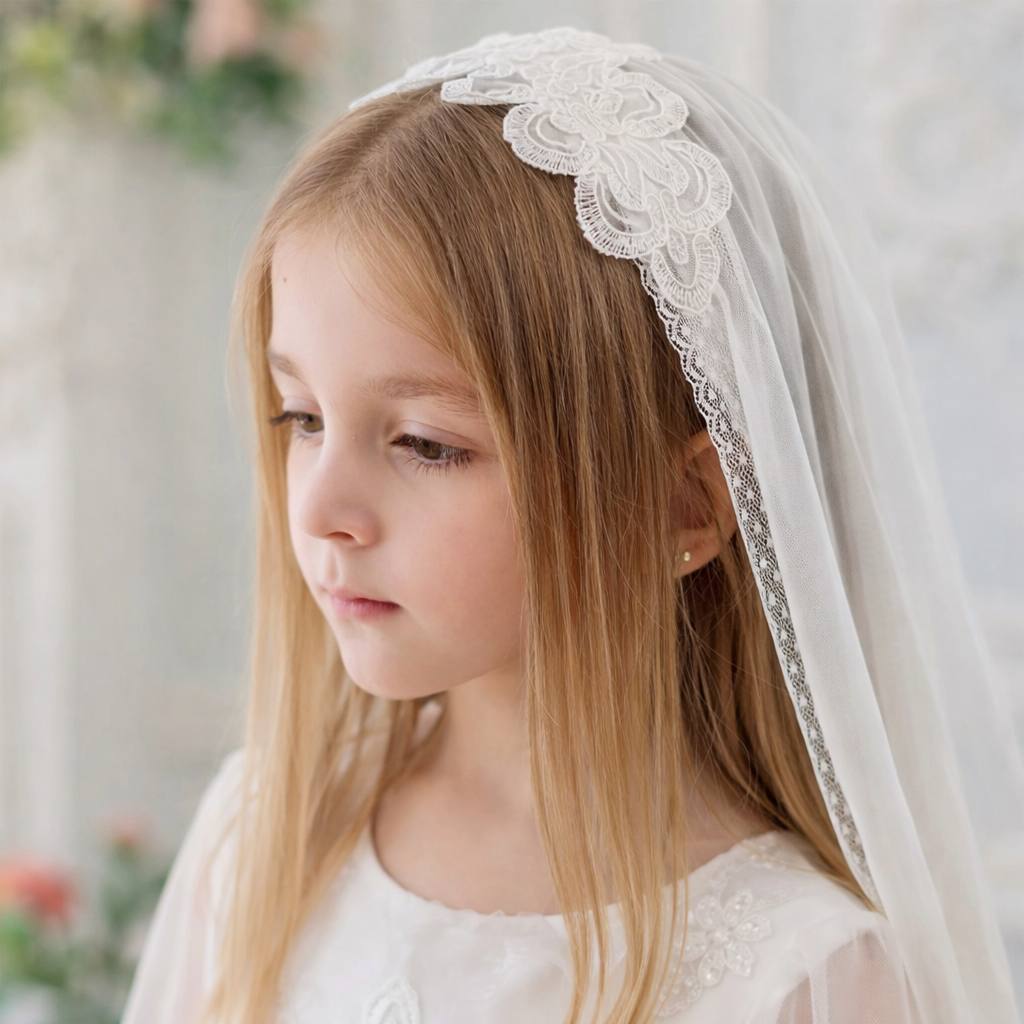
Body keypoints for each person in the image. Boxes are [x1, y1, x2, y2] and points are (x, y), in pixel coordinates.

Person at [120, 25, 1024, 1024]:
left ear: (684, 507)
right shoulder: (265, 840)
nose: (321, 511)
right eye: (303, 418)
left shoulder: (804, 970)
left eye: (424, 443)